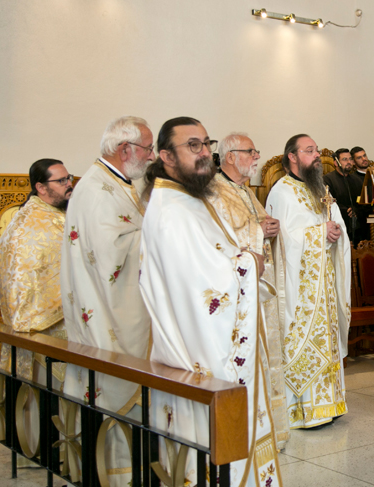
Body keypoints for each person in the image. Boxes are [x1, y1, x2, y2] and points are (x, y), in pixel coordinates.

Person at [139, 117, 281, 486]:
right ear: (165, 156)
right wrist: (251, 263)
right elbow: (206, 287)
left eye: (206, 143)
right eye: (192, 145)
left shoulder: (189, 197)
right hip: (197, 345)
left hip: (197, 338)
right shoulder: (172, 210)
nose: (204, 152)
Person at [61, 116, 154, 485]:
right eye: (146, 149)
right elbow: (110, 257)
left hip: (104, 305)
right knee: (112, 381)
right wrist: (159, 234)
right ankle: (114, 473)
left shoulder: (116, 182)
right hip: (107, 312)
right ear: (124, 149)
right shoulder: (98, 190)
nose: (149, 157)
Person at [209, 132, 289, 449]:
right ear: (230, 156)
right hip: (235, 295)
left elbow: (256, 226)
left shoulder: (245, 192)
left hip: (257, 291)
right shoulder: (215, 192)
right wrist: (260, 230)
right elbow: (221, 238)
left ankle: (268, 428)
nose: (256, 157)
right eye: (250, 151)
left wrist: (267, 229)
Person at [266, 134, 351, 429]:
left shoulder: (321, 189)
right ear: (292, 156)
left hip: (325, 282)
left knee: (328, 340)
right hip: (300, 290)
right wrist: (318, 234)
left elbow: (335, 222)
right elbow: (281, 243)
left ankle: (332, 403)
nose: (317, 155)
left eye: (316, 150)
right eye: (310, 150)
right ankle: (302, 411)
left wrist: (336, 232)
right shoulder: (281, 192)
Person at [0, 159, 72, 461]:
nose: (70, 185)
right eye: (62, 180)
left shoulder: (38, 217)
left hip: (43, 332)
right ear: (41, 187)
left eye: (69, 178)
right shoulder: (36, 225)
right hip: (46, 334)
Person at [324, 148, 368, 244]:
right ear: (336, 163)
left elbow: (363, 202)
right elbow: (329, 203)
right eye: (344, 159)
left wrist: (355, 210)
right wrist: (346, 210)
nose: (349, 162)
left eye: (350, 159)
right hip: (339, 224)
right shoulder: (327, 180)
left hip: (358, 224)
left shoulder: (357, 180)